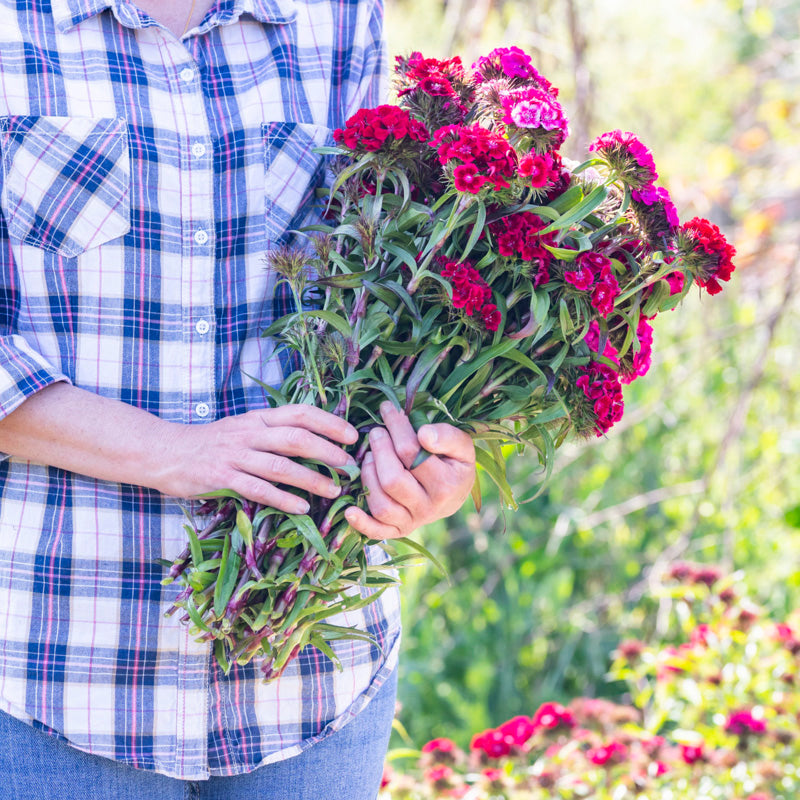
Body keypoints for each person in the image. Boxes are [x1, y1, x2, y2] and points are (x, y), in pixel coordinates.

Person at [0, 1, 476, 797]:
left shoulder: (336, 18)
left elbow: (384, 292)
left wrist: (421, 461)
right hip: (57, 664)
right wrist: (172, 452)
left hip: (311, 682)